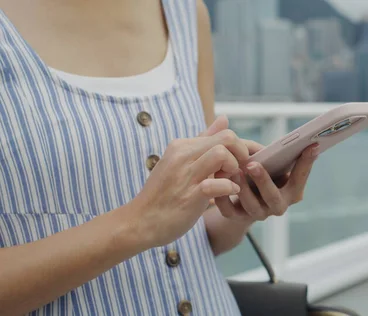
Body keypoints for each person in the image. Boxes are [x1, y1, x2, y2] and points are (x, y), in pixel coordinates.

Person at [0, 0, 319, 315]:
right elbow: (151, 222)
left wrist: (245, 203)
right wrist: (136, 225)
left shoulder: (186, 14)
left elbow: (196, 233)